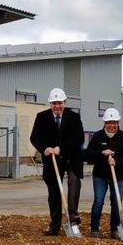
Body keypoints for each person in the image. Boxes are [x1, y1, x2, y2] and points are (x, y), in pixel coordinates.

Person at [30, 88, 85, 235]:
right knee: (54, 191)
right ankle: (54, 225)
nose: (57, 106)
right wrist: (45, 148)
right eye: (54, 103)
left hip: (71, 157)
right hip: (52, 160)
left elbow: (79, 138)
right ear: (50, 104)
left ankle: (72, 215)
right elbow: (35, 137)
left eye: (60, 103)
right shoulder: (41, 117)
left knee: (74, 182)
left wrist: (62, 148)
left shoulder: (74, 117)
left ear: (64, 102)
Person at [84, 108, 123, 239]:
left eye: (115, 122)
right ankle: (94, 229)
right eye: (109, 122)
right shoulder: (98, 136)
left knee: (116, 203)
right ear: (104, 123)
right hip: (100, 175)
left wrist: (116, 161)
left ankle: (115, 230)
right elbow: (88, 155)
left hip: (118, 176)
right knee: (98, 202)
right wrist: (101, 153)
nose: (112, 125)